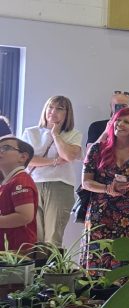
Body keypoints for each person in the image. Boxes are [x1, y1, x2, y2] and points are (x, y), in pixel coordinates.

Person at [81, 107, 129, 270]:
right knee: (98, 262)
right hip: (100, 214)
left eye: (126, 122)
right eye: (118, 120)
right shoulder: (97, 149)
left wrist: (126, 191)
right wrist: (107, 188)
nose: (119, 124)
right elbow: (86, 182)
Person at [22, 95, 82, 246]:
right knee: (33, 236)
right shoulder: (30, 132)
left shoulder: (73, 134)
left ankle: (50, 263)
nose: (53, 111)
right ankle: (36, 263)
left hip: (60, 185)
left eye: (59, 109)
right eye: (50, 107)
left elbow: (68, 156)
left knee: (53, 237)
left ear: (67, 113)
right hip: (32, 185)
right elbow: (26, 160)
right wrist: (54, 161)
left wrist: (55, 134)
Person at [0, 136, 38, 253]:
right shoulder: (8, 182)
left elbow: (24, 216)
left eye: (5, 148)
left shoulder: (20, 181)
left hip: (17, 253)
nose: (0, 151)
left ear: (22, 157)